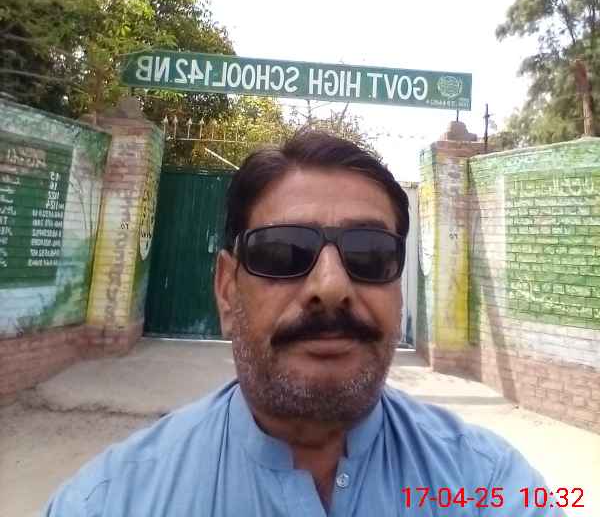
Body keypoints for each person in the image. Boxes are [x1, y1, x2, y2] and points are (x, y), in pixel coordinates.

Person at [44, 130, 564, 516]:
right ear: (227, 290)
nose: (331, 286)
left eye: (370, 253)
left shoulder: (488, 487)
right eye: (283, 251)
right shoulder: (112, 502)